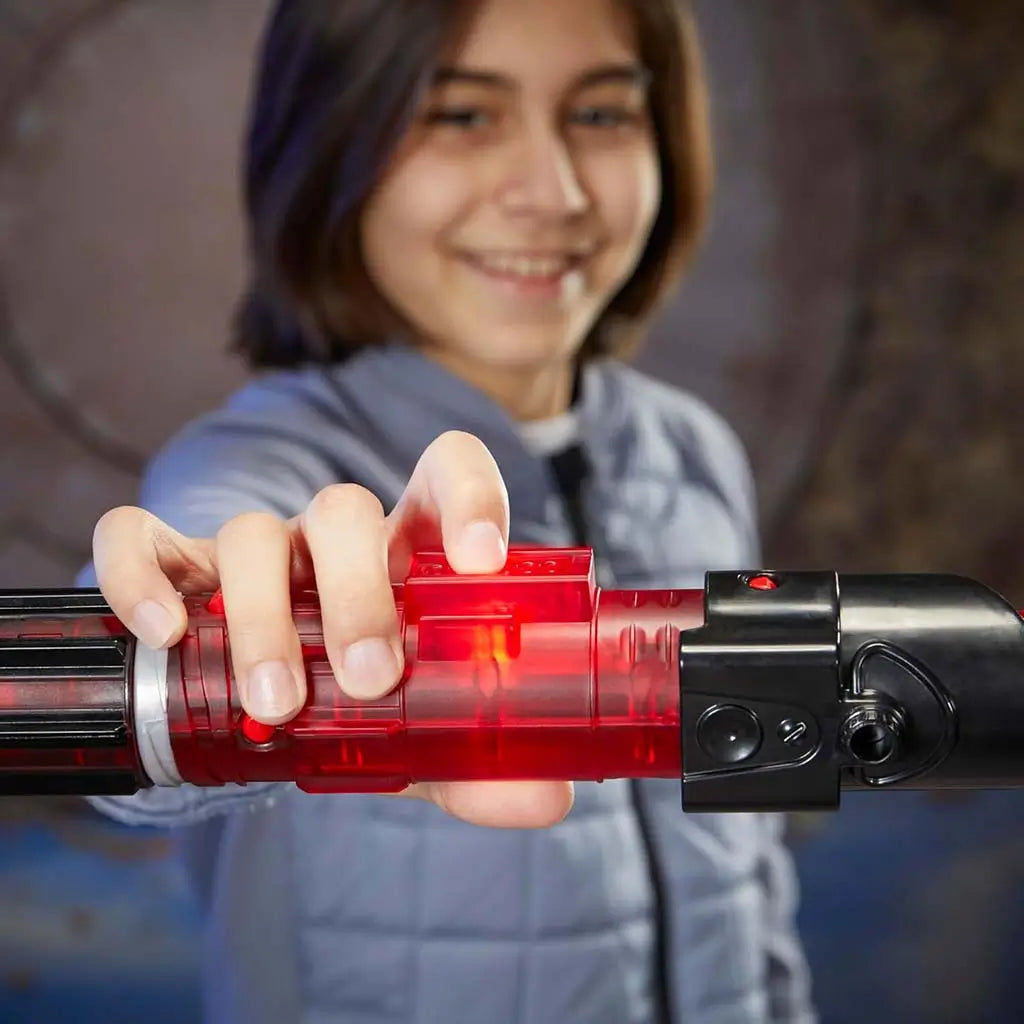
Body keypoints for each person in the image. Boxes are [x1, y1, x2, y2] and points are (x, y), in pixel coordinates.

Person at [78, 0, 815, 1021]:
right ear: (332, 139)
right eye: (462, 116)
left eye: (601, 114)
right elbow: (165, 625)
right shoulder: (260, 463)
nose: (554, 193)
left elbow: (751, 877)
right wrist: (165, 645)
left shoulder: (694, 456)